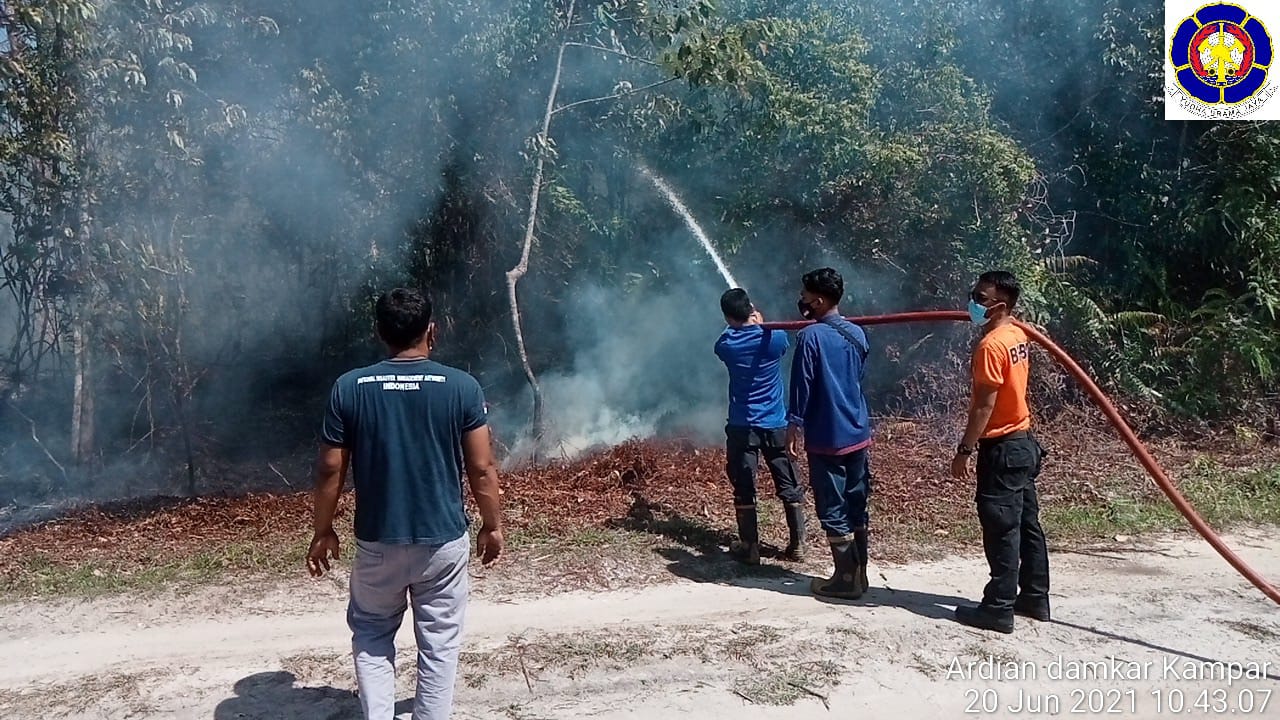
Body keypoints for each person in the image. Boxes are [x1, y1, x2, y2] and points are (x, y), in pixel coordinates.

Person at [306, 288, 505, 720]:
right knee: (439, 643)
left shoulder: (349, 387)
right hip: (443, 542)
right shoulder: (462, 387)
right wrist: (492, 525)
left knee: (373, 633)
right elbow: (483, 468)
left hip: (377, 541)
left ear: (379, 332)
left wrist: (322, 530)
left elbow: (328, 470)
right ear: (432, 330)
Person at [949, 270, 1050, 634]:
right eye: (973, 294)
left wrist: (964, 450)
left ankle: (998, 608)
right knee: (1026, 525)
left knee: (1002, 528)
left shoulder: (991, 345)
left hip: (1003, 448)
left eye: (979, 298)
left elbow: (983, 406)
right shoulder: (1016, 335)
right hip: (1023, 443)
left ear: (1000, 305)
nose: (972, 303)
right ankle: (1035, 598)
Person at [785, 268, 874, 599]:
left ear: (819, 301)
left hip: (828, 434)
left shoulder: (810, 337)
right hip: (858, 429)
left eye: (806, 296)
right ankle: (860, 573)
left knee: (832, 506)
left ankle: (845, 578)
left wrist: (793, 424)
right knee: (857, 501)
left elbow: (801, 386)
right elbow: (859, 376)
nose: (802, 301)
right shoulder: (858, 333)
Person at [713, 288, 807, 564]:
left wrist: (746, 323)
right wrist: (761, 322)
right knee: (788, 481)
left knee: (744, 484)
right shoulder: (775, 337)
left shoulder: (726, 344)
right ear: (751, 309)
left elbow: (724, 340)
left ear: (728, 317)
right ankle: (797, 545)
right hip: (775, 423)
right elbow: (781, 342)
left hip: (743, 426)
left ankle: (750, 547)